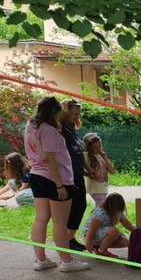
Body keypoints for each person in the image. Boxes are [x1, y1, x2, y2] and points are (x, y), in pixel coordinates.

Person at [24, 96, 88, 271]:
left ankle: (40, 260)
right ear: (53, 112)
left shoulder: (31, 126)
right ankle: (66, 261)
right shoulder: (49, 131)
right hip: (55, 177)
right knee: (60, 222)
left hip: (37, 175)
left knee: (40, 218)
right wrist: (59, 185)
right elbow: (50, 159)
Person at [59, 99, 89, 253]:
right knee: (74, 207)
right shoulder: (61, 130)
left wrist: (87, 169)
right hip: (68, 174)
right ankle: (67, 240)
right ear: (65, 112)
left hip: (77, 173)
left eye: (78, 114)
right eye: (74, 113)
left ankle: (70, 238)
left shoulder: (72, 128)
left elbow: (79, 153)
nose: (77, 117)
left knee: (80, 205)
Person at [81, 192, 136, 257]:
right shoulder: (100, 214)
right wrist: (88, 243)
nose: (118, 212)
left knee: (125, 242)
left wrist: (138, 230)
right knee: (114, 231)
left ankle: (99, 247)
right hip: (90, 234)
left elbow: (128, 225)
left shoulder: (118, 213)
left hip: (104, 233)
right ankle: (101, 251)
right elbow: (91, 230)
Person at [82, 133, 114, 208]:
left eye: (99, 146)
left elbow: (112, 171)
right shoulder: (86, 155)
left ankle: (91, 220)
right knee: (104, 208)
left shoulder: (101, 155)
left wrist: (104, 157)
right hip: (95, 189)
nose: (98, 149)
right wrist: (89, 174)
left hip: (103, 188)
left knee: (98, 210)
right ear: (89, 147)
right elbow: (80, 170)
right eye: (95, 147)